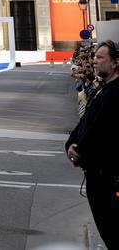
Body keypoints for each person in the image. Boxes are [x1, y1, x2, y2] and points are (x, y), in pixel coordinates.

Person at [66, 40, 119, 248]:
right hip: (96, 175)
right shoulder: (101, 89)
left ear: (115, 63)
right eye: (94, 57)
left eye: (99, 57)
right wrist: (70, 144)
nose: (94, 61)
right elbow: (84, 122)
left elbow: (100, 130)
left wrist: (79, 152)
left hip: (108, 178)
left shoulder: (115, 92)